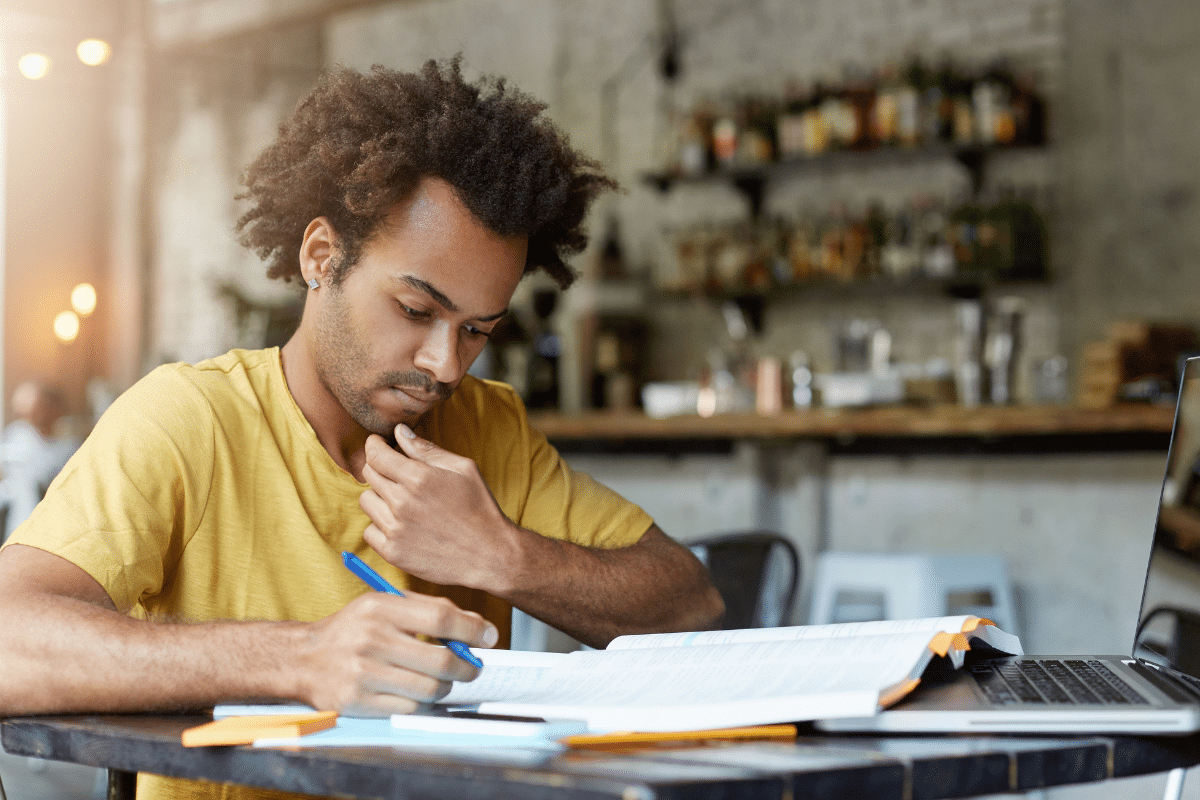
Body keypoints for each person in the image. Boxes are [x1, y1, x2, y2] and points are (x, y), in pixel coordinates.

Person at [0, 58, 723, 800]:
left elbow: (689, 602)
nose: (445, 365)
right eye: (415, 311)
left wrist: (503, 556)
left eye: (476, 329)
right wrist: (303, 658)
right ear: (322, 257)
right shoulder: (190, 422)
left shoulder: (487, 428)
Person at [0, 380, 79, 542]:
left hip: (58, 531)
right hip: (19, 526)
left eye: (38, 406)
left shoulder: (71, 444)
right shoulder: (18, 436)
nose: (28, 413)